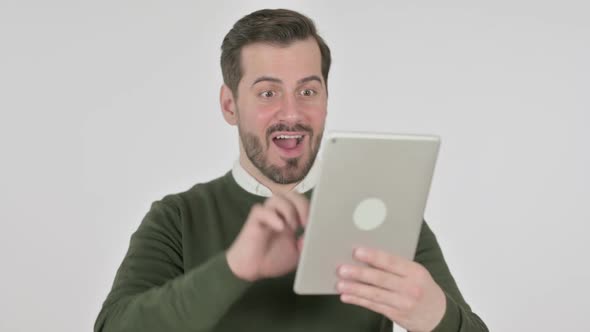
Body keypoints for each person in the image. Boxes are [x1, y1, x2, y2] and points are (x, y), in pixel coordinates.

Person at [95, 8, 488, 332]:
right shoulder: (177, 219)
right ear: (230, 105)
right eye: (268, 93)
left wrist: (438, 316)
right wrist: (234, 268)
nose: (292, 113)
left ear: (326, 99)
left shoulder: (388, 215)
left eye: (308, 91)